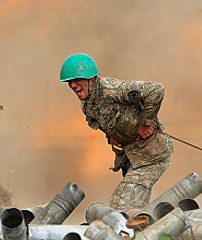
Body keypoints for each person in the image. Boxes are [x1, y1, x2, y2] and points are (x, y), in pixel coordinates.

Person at [59, 53, 173, 211]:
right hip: (131, 157)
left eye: (77, 80)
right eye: (69, 82)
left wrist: (145, 123)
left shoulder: (113, 90)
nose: (72, 85)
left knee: (122, 204)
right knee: (134, 206)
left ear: (91, 78)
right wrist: (112, 136)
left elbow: (156, 90)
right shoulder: (87, 105)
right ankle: (144, 232)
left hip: (151, 154)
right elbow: (105, 122)